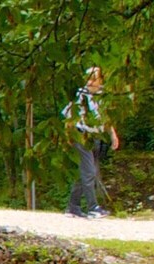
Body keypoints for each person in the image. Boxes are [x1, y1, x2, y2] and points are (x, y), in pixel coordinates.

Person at [63, 67, 119, 219]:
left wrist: (113, 135)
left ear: (100, 80)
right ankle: (92, 207)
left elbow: (106, 118)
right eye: (89, 78)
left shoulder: (102, 97)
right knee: (89, 172)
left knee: (86, 171)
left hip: (94, 136)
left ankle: (73, 206)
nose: (91, 82)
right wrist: (68, 136)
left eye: (94, 78)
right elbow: (68, 116)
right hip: (81, 135)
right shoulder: (80, 96)